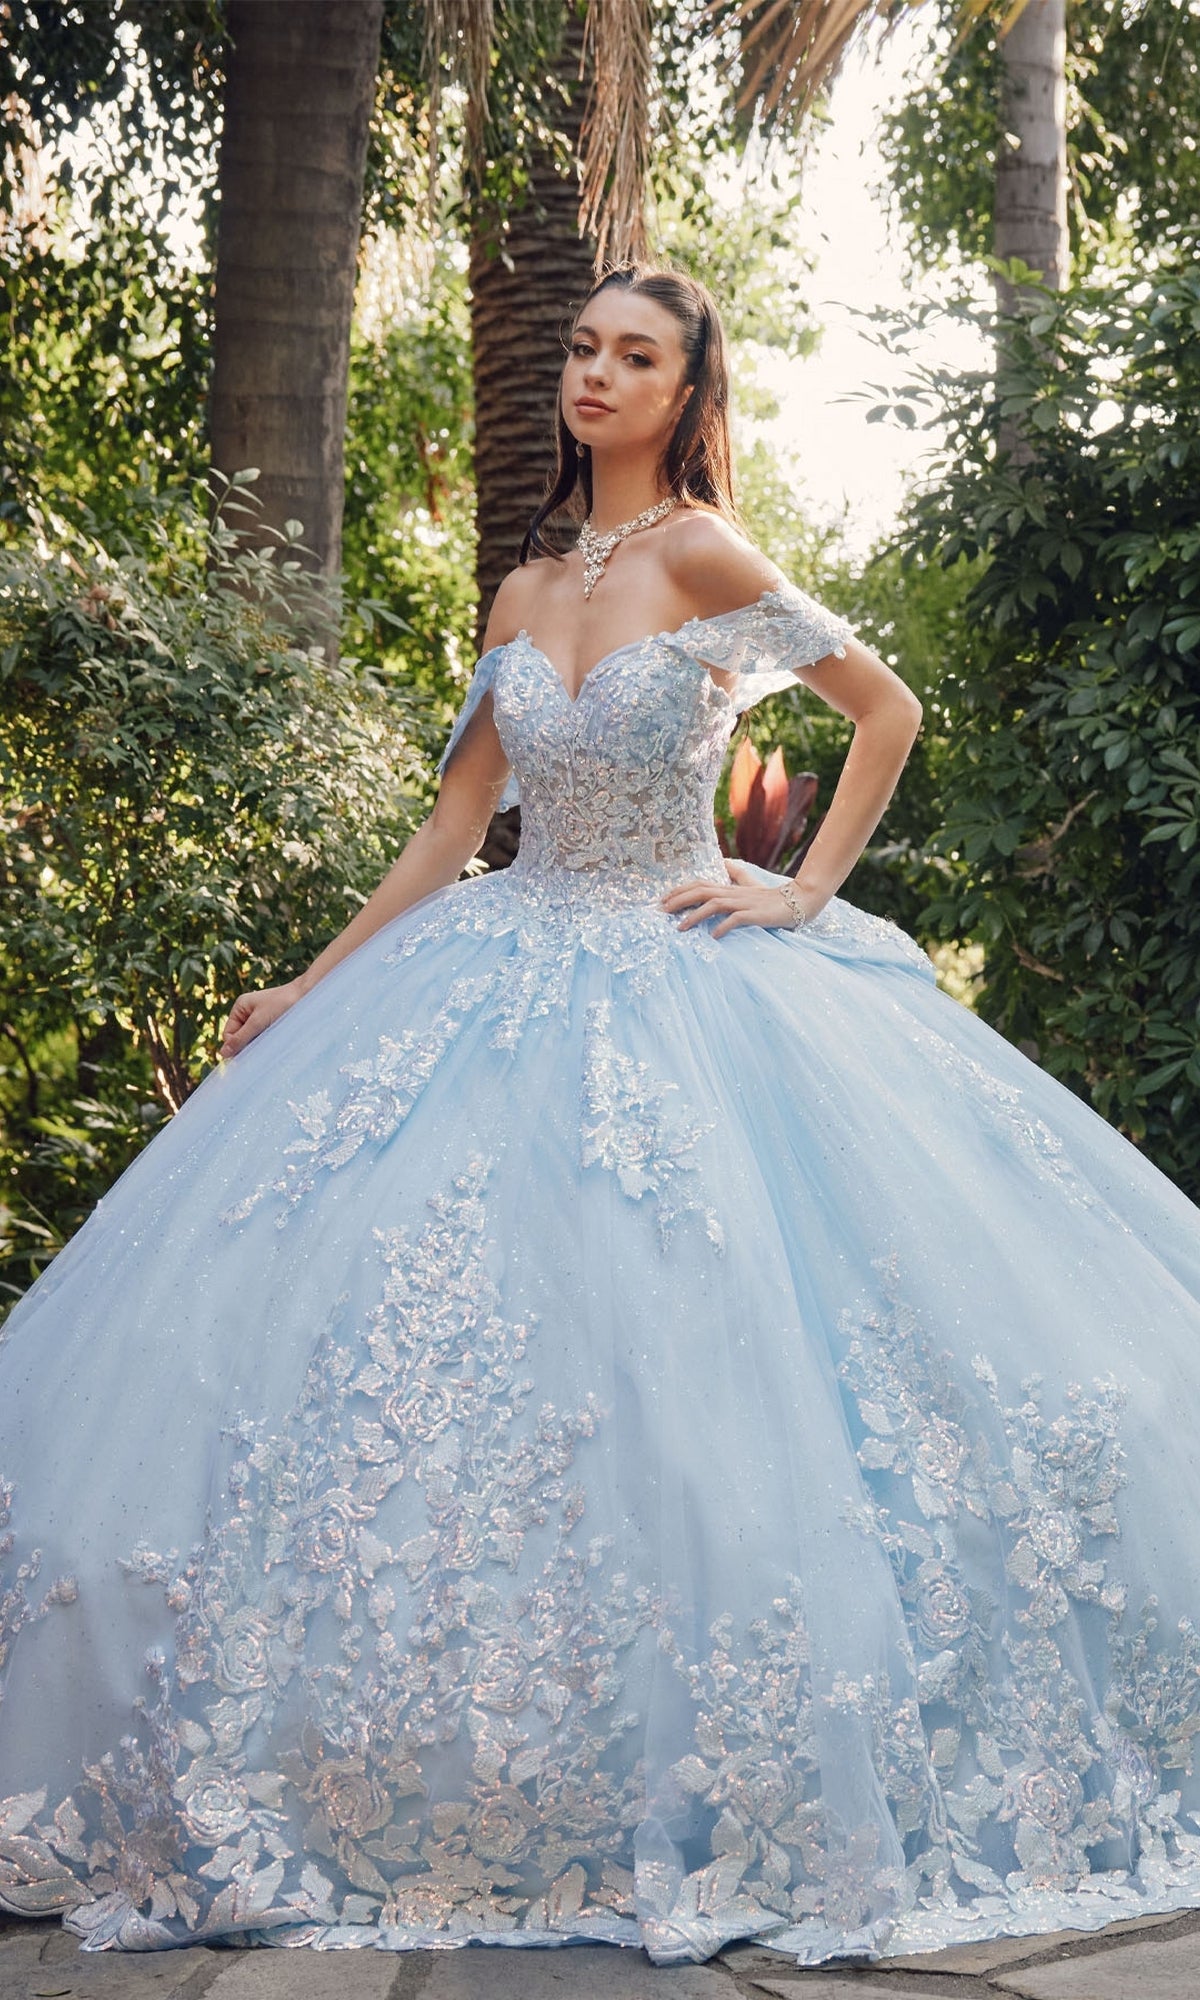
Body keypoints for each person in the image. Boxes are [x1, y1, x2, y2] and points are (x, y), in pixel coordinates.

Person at [2, 266, 1200, 1973]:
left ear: (689, 387)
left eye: (636, 355)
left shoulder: (707, 552)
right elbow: (455, 833)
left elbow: (887, 711)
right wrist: (315, 984)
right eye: (581, 347)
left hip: (678, 964)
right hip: (502, 957)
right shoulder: (516, 581)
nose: (594, 373)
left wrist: (794, 897)